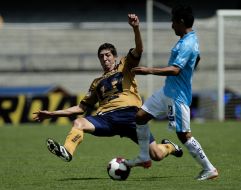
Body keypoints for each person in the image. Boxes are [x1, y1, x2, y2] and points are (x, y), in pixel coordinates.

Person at [33, 14, 183, 166]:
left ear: (115, 57)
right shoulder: (96, 83)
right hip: (106, 119)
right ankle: (67, 151)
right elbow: (80, 108)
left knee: (156, 154)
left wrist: (136, 28)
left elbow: (139, 49)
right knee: (79, 123)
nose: (105, 59)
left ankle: (169, 146)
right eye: (101, 57)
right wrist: (52, 113)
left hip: (130, 116)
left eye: (108, 55)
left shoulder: (125, 66)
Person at [125, 5, 219, 180]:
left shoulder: (188, 43)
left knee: (183, 134)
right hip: (167, 91)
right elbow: (197, 58)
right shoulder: (189, 39)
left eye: (173, 22)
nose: (171, 26)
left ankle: (209, 169)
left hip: (177, 96)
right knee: (140, 117)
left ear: (181, 21)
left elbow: (176, 70)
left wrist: (149, 70)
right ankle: (145, 155)